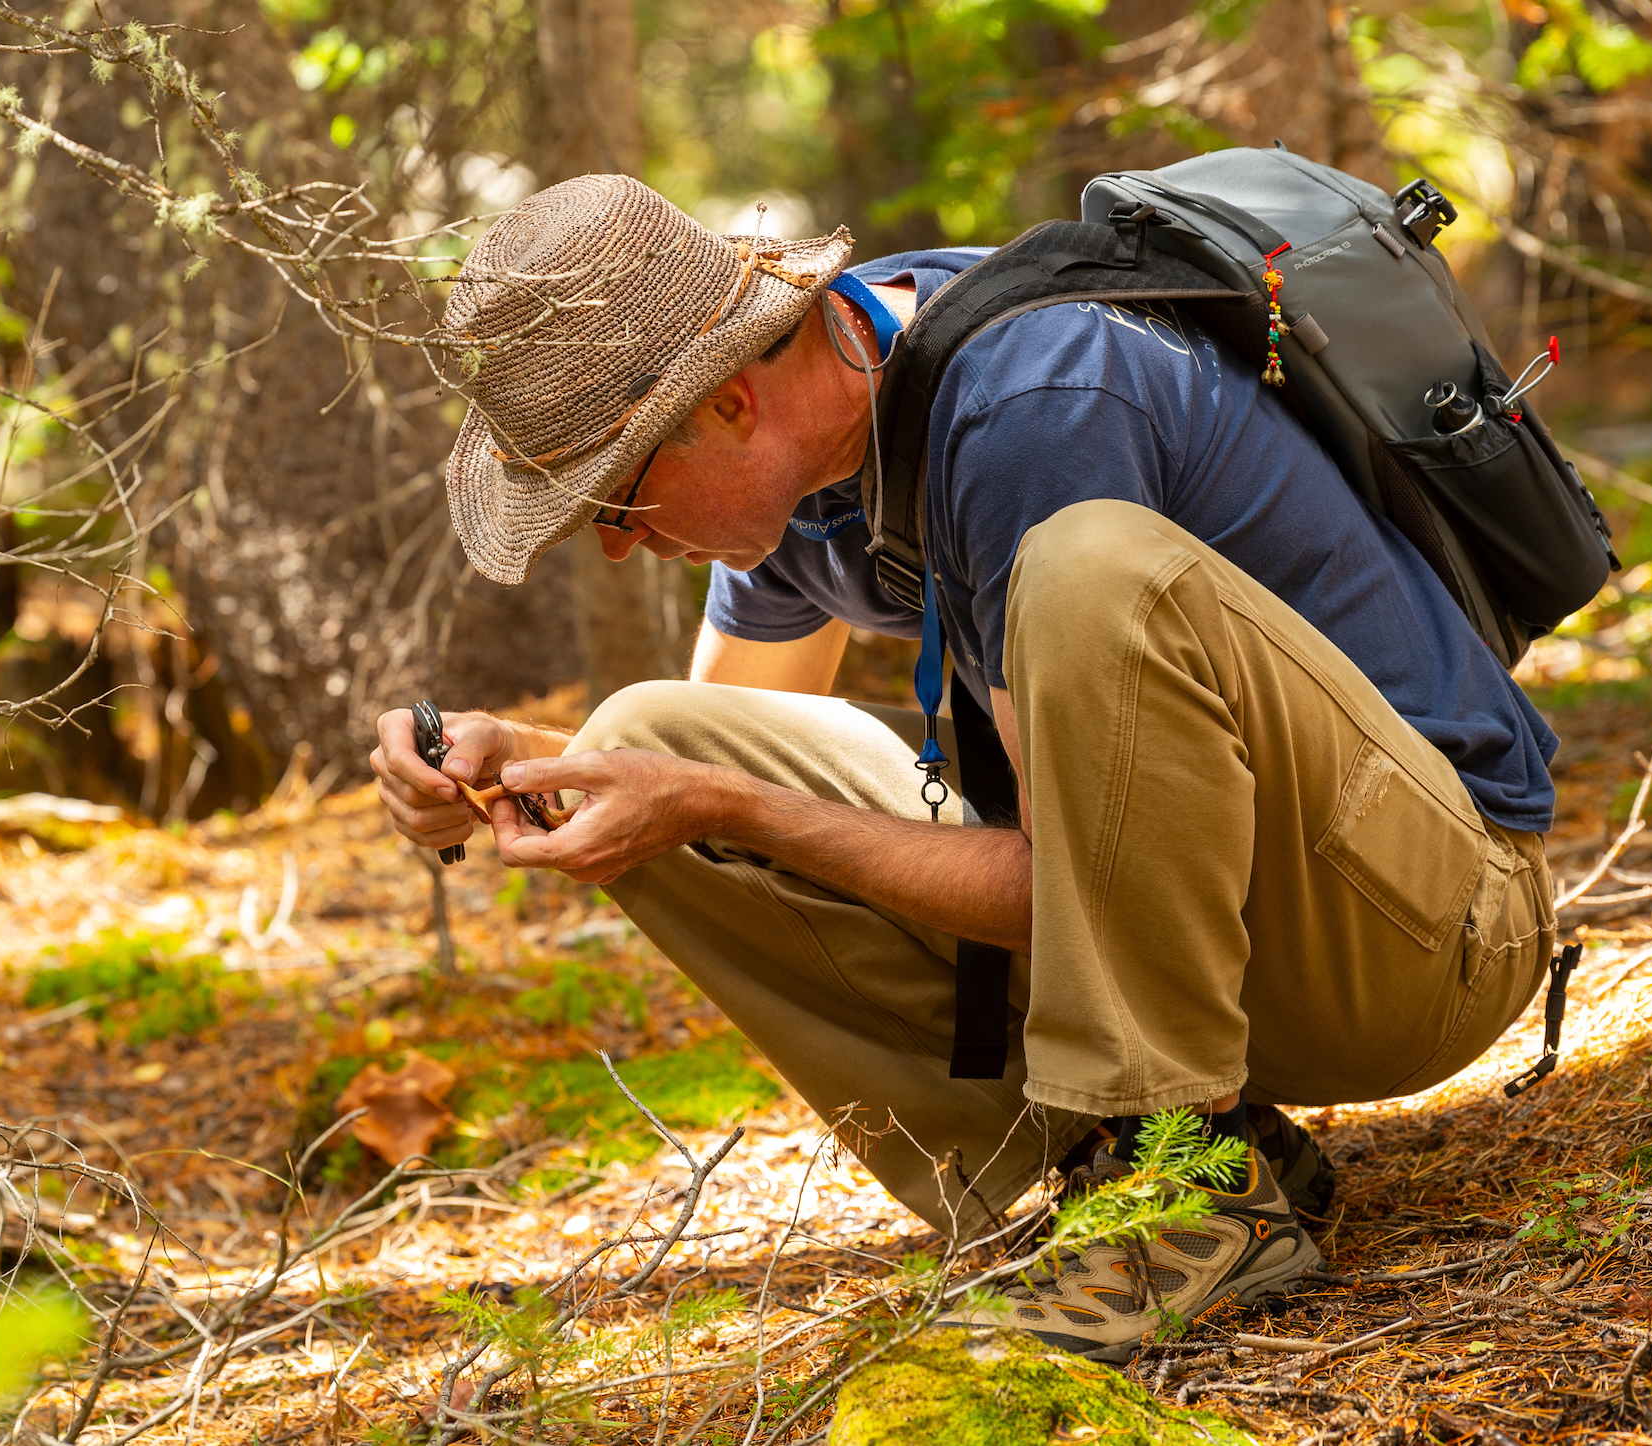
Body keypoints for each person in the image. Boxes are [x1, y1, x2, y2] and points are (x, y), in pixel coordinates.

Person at [369, 173, 1557, 1363]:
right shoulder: (821, 447)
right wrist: (523, 766)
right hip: (1256, 925)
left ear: (728, 401)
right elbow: (710, 783)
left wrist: (721, 802)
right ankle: (1122, 1148)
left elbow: (1061, 886)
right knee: (656, 730)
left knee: (1089, 566)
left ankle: (1188, 1184)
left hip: (1429, 926)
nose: (621, 542)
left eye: (618, 494)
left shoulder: (1029, 405)